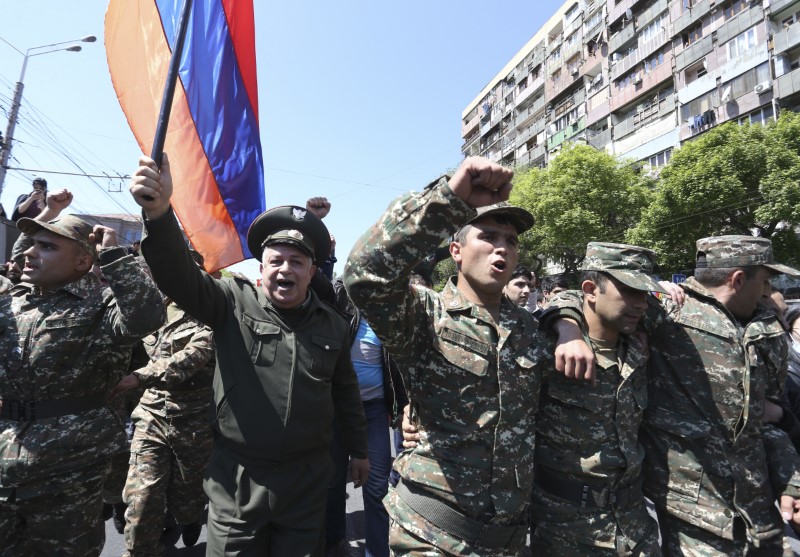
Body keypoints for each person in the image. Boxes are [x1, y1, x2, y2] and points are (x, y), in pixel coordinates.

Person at [129, 153, 369, 556]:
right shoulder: (230, 302)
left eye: (297, 261)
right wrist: (159, 213)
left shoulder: (332, 323)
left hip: (306, 483)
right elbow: (178, 277)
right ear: (262, 270)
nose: (285, 270)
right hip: (236, 479)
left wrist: (360, 451)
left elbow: (345, 391)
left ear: (313, 271)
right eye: (276, 261)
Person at [344, 156, 563, 556]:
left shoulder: (532, 331)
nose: (502, 247)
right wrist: (449, 198)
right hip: (431, 535)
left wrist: (567, 321)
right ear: (456, 251)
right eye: (489, 236)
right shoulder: (425, 314)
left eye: (511, 241)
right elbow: (364, 273)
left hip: (508, 541)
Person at [546, 235, 800, 556]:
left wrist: (791, 480)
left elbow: (770, 418)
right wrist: (567, 326)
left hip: (759, 510)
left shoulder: (769, 329)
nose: (767, 290)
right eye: (764, 280)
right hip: (692, 509)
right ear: (738, 279)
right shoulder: (669, 309)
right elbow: (584, 294)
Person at [0, 189, 165, 555]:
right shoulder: (14, 299)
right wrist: (51, 213)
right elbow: (19, 259)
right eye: (32, 244)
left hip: (67, 468)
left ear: (81, 262)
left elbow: (148, 314)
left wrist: (114, 257)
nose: (30, 252)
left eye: (47, 247)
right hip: (6, 455)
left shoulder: (101, 306)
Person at [531, 242, 666, 556]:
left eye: (646, 293)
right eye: (631, 291)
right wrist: (567, 326)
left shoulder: (640, 348)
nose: (642, 303)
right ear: (590, 289)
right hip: (566, 528)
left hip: (635, 525)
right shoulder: (544, 350)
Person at [110, 248, 215, 556]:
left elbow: (193, 356)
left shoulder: (212, 311)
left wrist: (140, 376)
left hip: (193, 424)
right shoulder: (152, 311)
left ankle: (189, 515)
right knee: (143, 499)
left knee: (187, 498)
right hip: (151, 417)